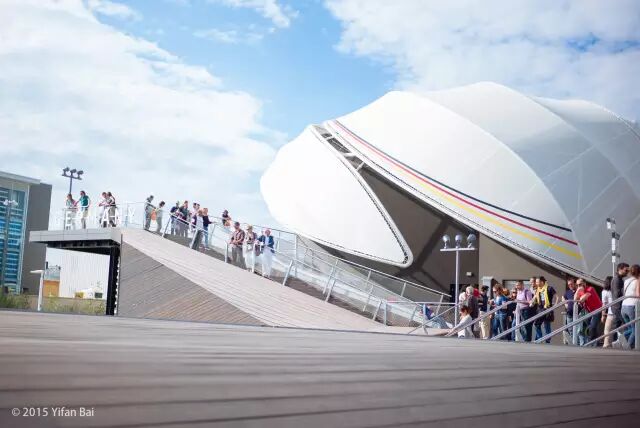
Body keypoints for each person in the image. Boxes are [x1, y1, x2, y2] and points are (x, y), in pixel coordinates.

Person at [574, 278, 603, 345]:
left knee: (592, 327)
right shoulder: (580, 291)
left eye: (580, 284)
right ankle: (595, 343)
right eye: (577, 285)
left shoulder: (590, 289)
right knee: (589, 328)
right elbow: (575, 299)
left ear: (584, 283)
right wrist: (578, 290)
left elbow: (582, 299)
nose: (579, 286)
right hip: (589, 311)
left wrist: (579, 294)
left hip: (597, 310)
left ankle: (592, 344)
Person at [531, 276, 557, 343]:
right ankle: (540, 339)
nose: (536, 283)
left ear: (542, 282)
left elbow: (557, 297)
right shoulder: (538, 289)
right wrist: (532, 302)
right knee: (536, 324)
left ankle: (547, 341)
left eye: (537, 282)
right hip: (540, 309)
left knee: (547, 325)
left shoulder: (549, 288)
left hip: (547, 309)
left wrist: (555, 305)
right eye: (536, 282)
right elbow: (535, 297)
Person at [621, 264, 640, 350]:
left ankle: (621, 338)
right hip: (632, 307)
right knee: (636, 330)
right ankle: (627, 347)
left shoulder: (626, 281)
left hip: (624, 306)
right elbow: (638, 294)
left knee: (631, 329)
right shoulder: (637, 280)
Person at [611, 263, 630, 330]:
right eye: (626, 270)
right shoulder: (617, 279)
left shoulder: (619, 279)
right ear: (620, 269)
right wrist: (626, 290)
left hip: (617, 306)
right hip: (618, 307)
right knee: (628, 326)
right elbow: (616, 294)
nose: (627, 272)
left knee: (617, 327)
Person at [601, 276, 615, 348]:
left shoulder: (605, 292)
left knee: (607, 331)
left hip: (610, 313)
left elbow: (604, 304)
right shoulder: (617, 290)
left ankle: (606, 346)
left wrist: (603, 315)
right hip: (619, 312)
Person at [562, 278, 577, 343]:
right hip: (569, 314)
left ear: (575, 283)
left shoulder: (578, 290)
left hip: (578, 314)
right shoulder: (568, 292)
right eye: (569, 285)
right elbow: (563, 297)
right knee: (570, 330)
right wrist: (565, 304)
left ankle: (579, 345)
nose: (570, 286)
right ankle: (574, 344)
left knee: (578, 331)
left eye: (571, 284)